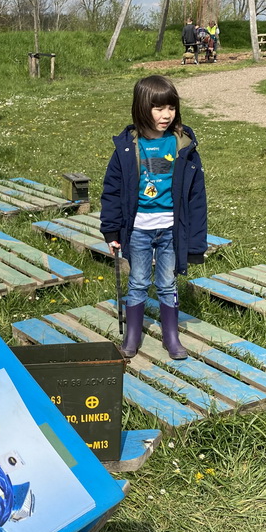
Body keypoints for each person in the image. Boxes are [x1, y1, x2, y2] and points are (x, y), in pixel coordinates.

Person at [100, 75, 208, 361]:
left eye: (171, 108)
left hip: (171, 230)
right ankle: (132, 335)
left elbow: (197, 197)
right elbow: (111, 191)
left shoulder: (183, 145)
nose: (166, 115)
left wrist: (196, 240)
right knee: (137, 281)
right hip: (138, 230)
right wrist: (111, 231)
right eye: (158, 108)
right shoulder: (127, 148)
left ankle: (171, 336)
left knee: (167, 283)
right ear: (141, 107)